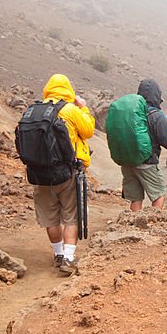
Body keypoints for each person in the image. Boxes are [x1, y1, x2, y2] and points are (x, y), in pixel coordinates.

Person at [32, 74, 94, 275]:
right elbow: (88, 130)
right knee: (70, 216)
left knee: (50, 218)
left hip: (40, 174)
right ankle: (68, 258)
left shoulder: (34, 110)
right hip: (67, 172)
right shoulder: (70, 110)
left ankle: (58, 253)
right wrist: (83, 107)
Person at [122, 79, 167, 210]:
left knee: (136, 198)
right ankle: (153, 224)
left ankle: (133, 224)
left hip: (127, 161)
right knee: (158, 194)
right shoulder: (156, 115)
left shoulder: (131, 111)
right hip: (147, 162)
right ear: (157, 95)